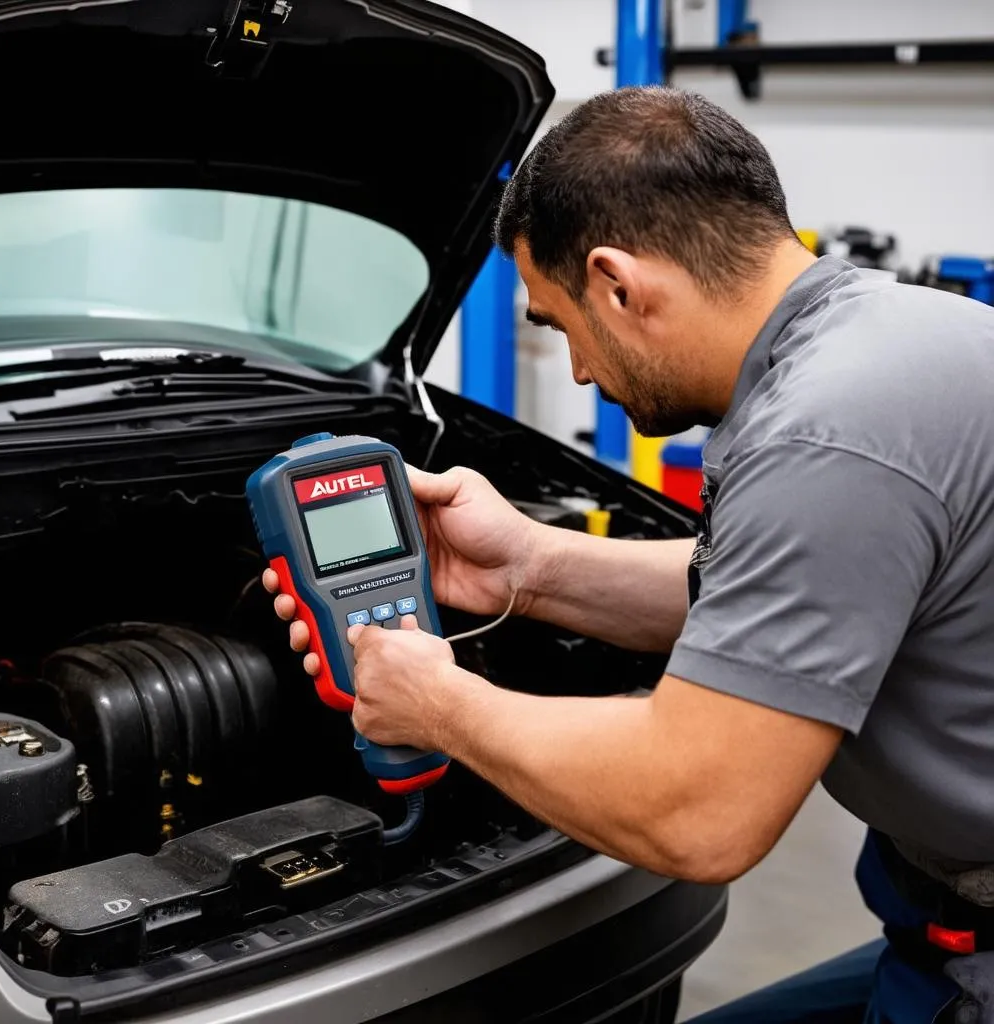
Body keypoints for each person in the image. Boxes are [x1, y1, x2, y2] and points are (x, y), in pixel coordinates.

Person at [263, 86, 994, 1023]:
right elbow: (767, 597)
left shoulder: (825, 432)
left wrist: (439, 705)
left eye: (561, 325)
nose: (576, 371)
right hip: (926, 921)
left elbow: (700, 813)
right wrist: (527, 568)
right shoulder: (881, 338)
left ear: (616, 282)